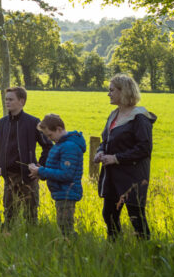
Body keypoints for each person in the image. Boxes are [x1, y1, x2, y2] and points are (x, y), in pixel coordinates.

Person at [93, 73, 156, 240]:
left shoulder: (140, 118)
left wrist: (116, 158)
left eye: (112, 90)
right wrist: (100, 151)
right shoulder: (114, 115)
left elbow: (144, 149)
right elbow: (105, 139)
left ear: (124, 92)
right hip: (112, 176)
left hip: (133, 176)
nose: (108, 93)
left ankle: (145, 250)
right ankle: (114, 246)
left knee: (136, 217)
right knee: (109, 214)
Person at [0, 86, 51, 226]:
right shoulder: (2, 123)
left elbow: (48, 145)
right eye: (6, 99)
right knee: (9, 215)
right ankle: (7, 241)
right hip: (9, 177)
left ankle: (32, 241)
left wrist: (40, 167)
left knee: (31, 216)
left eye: (11, 99)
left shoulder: (33, 122)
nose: (7, 102)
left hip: (28, 177)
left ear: (22, 101)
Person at [28, 113, 85, 236]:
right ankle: (69, 246)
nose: (49, 139)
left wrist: (41, 171)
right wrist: (40, 173)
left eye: (50, 135)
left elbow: (66, 174)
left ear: (59, 129)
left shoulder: (69, 147)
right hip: (61, 192)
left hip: (67, 192)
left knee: (66, 226)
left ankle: (72, 248)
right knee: (63, 225)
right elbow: (55, 168)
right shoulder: (60, 145)